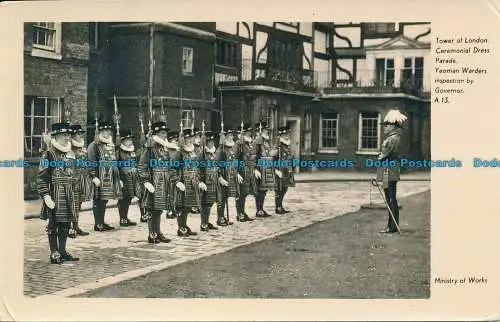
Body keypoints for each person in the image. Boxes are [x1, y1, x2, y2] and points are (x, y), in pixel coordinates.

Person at [37, 122, 80, 264]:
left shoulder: (71, 153)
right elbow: (42, 177)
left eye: (68, 135)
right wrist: (46, 195)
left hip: (69, 192)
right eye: (64, 135)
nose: (68, 138)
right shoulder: (49, 153)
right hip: (55, 192)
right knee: (54, 223)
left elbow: (74, 172)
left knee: (66, 223)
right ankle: (54, 252)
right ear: (56, 136)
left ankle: (62, 251)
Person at [137, 121, 173, 243]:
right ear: (156, 134)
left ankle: (158, 232)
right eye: (162, 133)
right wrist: (146, 181)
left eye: (165, 133)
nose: (165, 135)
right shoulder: (150, 149)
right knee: (152, 209)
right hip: (153, 181)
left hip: (164, 181)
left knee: (159, 209)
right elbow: (142, 166)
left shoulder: (164, 148)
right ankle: (152, 234)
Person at [87, 121, 123, 231]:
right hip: (99, 176)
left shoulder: (110, 145)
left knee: (104, 200)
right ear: (100, 132)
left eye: (108, 131)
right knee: (98, 199)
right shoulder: (94, 145)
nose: (107, 133)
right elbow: (91, 162)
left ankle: (101, 221)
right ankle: (98, 224)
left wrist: (118, 177)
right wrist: (93, 176)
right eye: (104, 131)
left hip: (110, 176)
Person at [377, 109, 406, 234]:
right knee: (391, 198)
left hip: (388, 171)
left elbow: (382, 156)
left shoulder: (392, 139)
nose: (385, 128)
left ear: (393, 126)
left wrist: (379, 157)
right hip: (390, 170)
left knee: (390, 199)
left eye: (387, 125)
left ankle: (392, 226)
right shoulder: (394, 138)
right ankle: (392, 225)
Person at [173, 128, 206, 237]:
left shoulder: (196, 150)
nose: (191, 140)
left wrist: (200, 180)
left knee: (187, 206)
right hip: (183, 183)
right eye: (188, 138)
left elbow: (199, 167)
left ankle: (185, 226)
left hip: (193, 182)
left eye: (192, 137)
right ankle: (181, 228)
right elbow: (173, 168)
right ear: (184, 139)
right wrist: (177, 182)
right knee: (181, 206)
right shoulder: (179, 153)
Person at [69, 124, 91, 236]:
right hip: (73, 179)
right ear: (72, 135)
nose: (80, 136)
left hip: (82, 178)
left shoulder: (82, 148)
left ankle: (75, 226)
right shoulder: (69, 148)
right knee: (72, 204)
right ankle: (70, 228)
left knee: (79, 204)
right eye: (78, 134)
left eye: (81, 134)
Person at [116, 128, 139, 227]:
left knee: (129, 197)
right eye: (128, 140)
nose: (130, 141)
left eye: (131, 139)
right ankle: (122, 219)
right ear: (123, 141)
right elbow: (116, 166)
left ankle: (125, 217)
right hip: (123, 177)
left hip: (132, 178)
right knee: (123, 198)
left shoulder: (132, 150)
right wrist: (118, 179)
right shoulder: (119, 151)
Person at [234, 123, 256, 222]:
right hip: (241, 172)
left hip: (248, 172)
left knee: (245, 193)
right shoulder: (239, 144)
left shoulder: (248, 144)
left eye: (249, 132)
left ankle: (242, 211)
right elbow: (235, 159)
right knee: (240, 194)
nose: (249, 134)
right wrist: (237, 173)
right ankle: (239, 213)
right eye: (247, 132)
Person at [216, 128, 237, 226]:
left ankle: (223, 217)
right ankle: (220, 218)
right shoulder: (221, 150)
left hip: (229, 174)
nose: (231, 137)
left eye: (232, 136)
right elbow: (218, 164)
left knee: (225, 197)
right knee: (221, 197)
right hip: (222, 176)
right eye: (229, 136)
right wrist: (220, 177)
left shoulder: (231, 148)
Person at [198, 130, 219, 231]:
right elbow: (199, 168)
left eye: (212, 142)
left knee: (210, 202)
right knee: (204, 203)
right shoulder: (202, 154)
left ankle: (207, 221)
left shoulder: (213, 153)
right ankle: (203, 223)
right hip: (205, 180)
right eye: (209, 142)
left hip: (213, 180)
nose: (211, 143)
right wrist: (200, 181)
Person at [254, 121, 275, 217]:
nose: (268, 132)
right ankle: (259, 210)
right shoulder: (257, 142)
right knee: (260, 190)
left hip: (266, 168)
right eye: (266, 131)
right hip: (260, 168)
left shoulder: (265, 142)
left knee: (264, 190)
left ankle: (261, 209)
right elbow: (254, 156)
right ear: (261, 131)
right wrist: (255, 169)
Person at [274, 125, 295, 214]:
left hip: (287, 170)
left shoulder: (287, 145)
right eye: (285, 135)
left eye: (288, 134)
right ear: (281, 135)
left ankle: (280, 206)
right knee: (279, 189)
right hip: (280, 171)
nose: (287, 136)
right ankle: (278, 207)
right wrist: (276, 170)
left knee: (284, 188)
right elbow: (272, 159)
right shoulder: (277, 146)